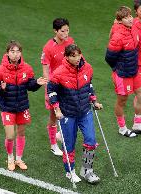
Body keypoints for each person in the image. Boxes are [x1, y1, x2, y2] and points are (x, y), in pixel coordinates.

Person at [47, 44, 103, 184]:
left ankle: (86, 170)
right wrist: (57, 109)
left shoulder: (88, 68)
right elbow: (51, 92)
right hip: (67, 114)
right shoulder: (59, 73)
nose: (77, 58)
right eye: (73, 56)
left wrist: (94, 101)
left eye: (78, 55)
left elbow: (89, 86)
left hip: (85, 111)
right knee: (69, 145)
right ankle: (70, 171)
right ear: (66, 57)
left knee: (90, 141)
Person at [0, 40, 47, 171]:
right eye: (12, 51)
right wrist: (2, 88)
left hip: (22, 106)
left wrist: (37, 83)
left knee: (21, 133)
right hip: (7, 107)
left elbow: (30, 86)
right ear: (7, 53)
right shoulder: (0, 70)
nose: (16, 54)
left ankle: (19, 159)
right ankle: (10, 158)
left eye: (18, 51)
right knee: (10, 135)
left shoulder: (27, 68)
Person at [105, 6, 141, 137]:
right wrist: (117, 69)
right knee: (122, 101)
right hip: (123, 74)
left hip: (134, 71)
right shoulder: (118, 36)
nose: (130, 19)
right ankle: (122, 128)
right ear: (120, 20)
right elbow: (109, 58)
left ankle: (137, 123)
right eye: (126, 17)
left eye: (130, 16)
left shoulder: (133, 26)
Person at [41, 18, 74, 156]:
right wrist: (49, 90)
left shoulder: (70, 42)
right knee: (54, 115)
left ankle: (60, 135)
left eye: (67, 30)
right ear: (55, 31)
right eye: (62, 31)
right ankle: (53, 144)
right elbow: (45, 70)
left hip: (67, 84)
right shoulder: (48, 47)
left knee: (70, 111)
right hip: (55, 86)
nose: (66, 33)